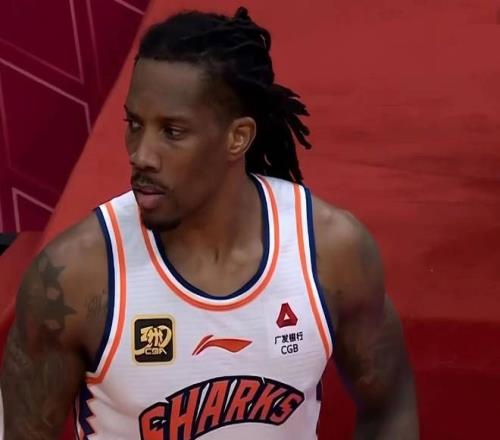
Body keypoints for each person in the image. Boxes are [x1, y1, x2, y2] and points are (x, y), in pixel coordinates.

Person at [0, 7, 418, 440]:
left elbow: (390, 408)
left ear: (238, 137)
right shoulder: (74, 279)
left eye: (172, 132)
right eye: (135, 124)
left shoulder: (330, 252)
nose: (141, 154)